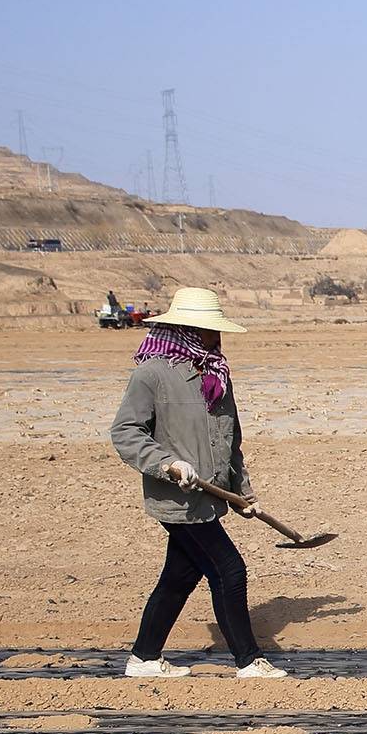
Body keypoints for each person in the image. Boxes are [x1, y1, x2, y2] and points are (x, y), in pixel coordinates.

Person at [108, 287, 287, 678]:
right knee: (229, 570)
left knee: (180, 576)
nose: (217, 337)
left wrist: (243, 493)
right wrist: (167, 463)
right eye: (209, 330)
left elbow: (230, 442)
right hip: (178, 500)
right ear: (187, 328)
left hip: (210, 497)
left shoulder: (216, 376)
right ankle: (248, 660)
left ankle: (144, 658)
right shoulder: (152, 374)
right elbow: (126, 432)